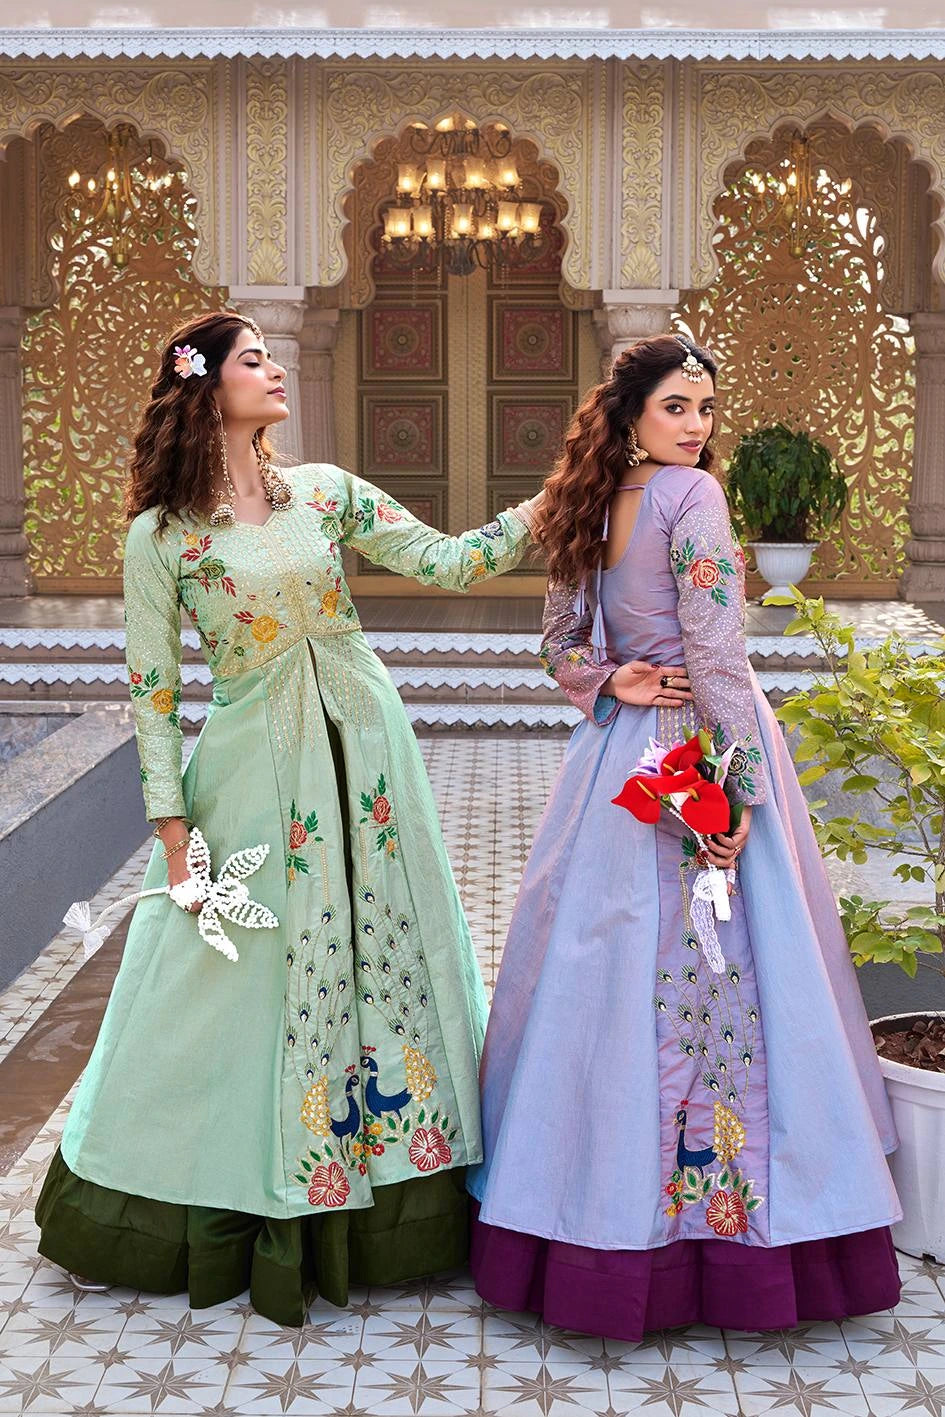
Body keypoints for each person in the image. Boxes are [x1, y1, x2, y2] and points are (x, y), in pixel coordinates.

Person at [36, 310, 543, 1327]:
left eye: (272, 356)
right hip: (252, 772)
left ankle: (400, 1199)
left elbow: (447, 562)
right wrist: (174, 833)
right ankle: (191, 1196)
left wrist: (561, 495)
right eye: (253, 360)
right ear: (204, 384)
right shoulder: (162, 537)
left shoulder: (325, 492)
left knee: (388, 959)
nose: (274, 372)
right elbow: (149, 690)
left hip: (368, 760)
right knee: (227, 980)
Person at [466, 333, 902, 1340]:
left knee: (599, 976)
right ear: (630, 417)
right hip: (695, 749)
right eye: (676, 408)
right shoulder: (688, 498)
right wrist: (740, 789)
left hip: (618, 762)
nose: (697, 428)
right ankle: (731, 1236)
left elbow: (561, 644)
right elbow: (715, 646)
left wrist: (604, 681)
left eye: (705, 409)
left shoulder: (591, 500)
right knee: (725, 972)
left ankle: (575, 1209)